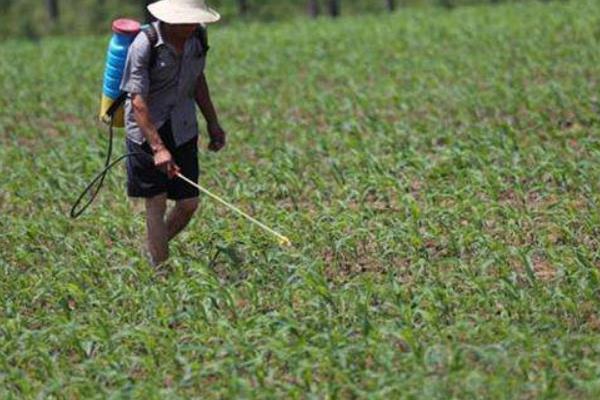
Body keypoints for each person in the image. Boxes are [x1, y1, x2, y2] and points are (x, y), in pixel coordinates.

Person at [120, 0, 226, 266]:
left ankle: (152, 252)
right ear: (169, 19)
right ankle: (161, 274)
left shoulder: (198, 37)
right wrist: (157, 148)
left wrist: (213, 123)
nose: (191, 25)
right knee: (156, 203)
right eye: (185, 20)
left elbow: (198, 80)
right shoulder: (144, 45)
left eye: (194, 19)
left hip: (183, 127)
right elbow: (138, 101)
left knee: (189, 202)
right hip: (146, 132)